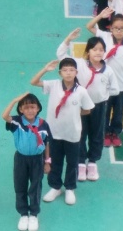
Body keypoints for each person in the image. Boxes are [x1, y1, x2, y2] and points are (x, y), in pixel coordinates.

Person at [56, 29, 119, 182]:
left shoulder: (108, 70)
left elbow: (115, 89)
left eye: (101, 50)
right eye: (94, 49)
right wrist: (68, 39)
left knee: (97, 134)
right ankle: (80, 162)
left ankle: (92, 162)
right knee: (80, 132)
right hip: (80, 106)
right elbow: (61, 55)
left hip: (99, 107)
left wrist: (102, 95)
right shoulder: (79, 64)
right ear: (88, 51)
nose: (98, 52)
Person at [31, 59, 93, 206]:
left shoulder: (81, 91)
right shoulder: (53, 85)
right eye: (65, 70)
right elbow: (34, 82)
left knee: (72, 162)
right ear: (60, 73)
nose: (68, 73)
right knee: (55, 160)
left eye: (71, 70)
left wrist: (73, 115)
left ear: (76, 72)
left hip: (72, 133)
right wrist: (45, 69)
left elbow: (87, 109)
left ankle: (70, 188)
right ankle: (55, 187)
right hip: (54, 132)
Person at [86, 8, 123, 148]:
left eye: (122, 28)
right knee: (105, 110)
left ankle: (115, 133)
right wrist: (100, 16)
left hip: (122, 84)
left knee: (119, 111)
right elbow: (89, 26)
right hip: (105, 84)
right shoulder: (105, 37)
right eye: (116, 28)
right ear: (111, 28)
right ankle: (105, 133)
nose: (119, 31)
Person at [2, 93, 51, 231]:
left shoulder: (43, 124)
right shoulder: (17, 122)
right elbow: (4, 116)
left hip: (38, 159)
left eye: (32, 107)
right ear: (21, 109)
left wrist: (47, 161)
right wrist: (14, 100)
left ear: (38, 108)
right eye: (26, 107)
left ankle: (34, 214)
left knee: (36, 186)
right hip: (21, 159)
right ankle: (23, 214)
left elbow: (47, 143)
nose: (30, 110)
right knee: (20, 186)